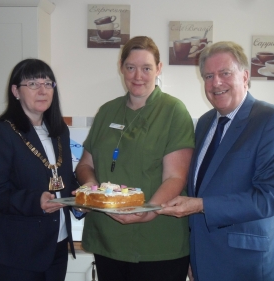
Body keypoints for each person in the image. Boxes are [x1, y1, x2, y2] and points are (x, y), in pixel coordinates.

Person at [157, 41, 274, 281]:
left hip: (247, 263)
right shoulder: (204, 123)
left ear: (244, 76)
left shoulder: (271, 120)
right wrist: (193, 255)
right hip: (204, 258)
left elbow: (271, 198)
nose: (216, 83)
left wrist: (201, 205)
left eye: (225, 73)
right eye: (209, 76)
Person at [75, 36, 195, 281]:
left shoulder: (174, 111)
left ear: (159, 69)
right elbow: (85, 165)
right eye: (131, 67)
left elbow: (175, 176)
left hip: (158, 242)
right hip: (107, 237)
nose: (138, 76)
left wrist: (148, 211)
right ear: (121, 68)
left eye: (146, 68)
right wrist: (90, 187)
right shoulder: (107, 111)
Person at [0, 58, 77, 281]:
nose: (42, 90)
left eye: (48, 83)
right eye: (33, 84)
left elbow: (64, 180)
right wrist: (35, 201)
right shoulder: (0, 133)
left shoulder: (59, 131)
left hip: (56, 245)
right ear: (16, 91)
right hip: (16, 253)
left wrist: (83, 195)